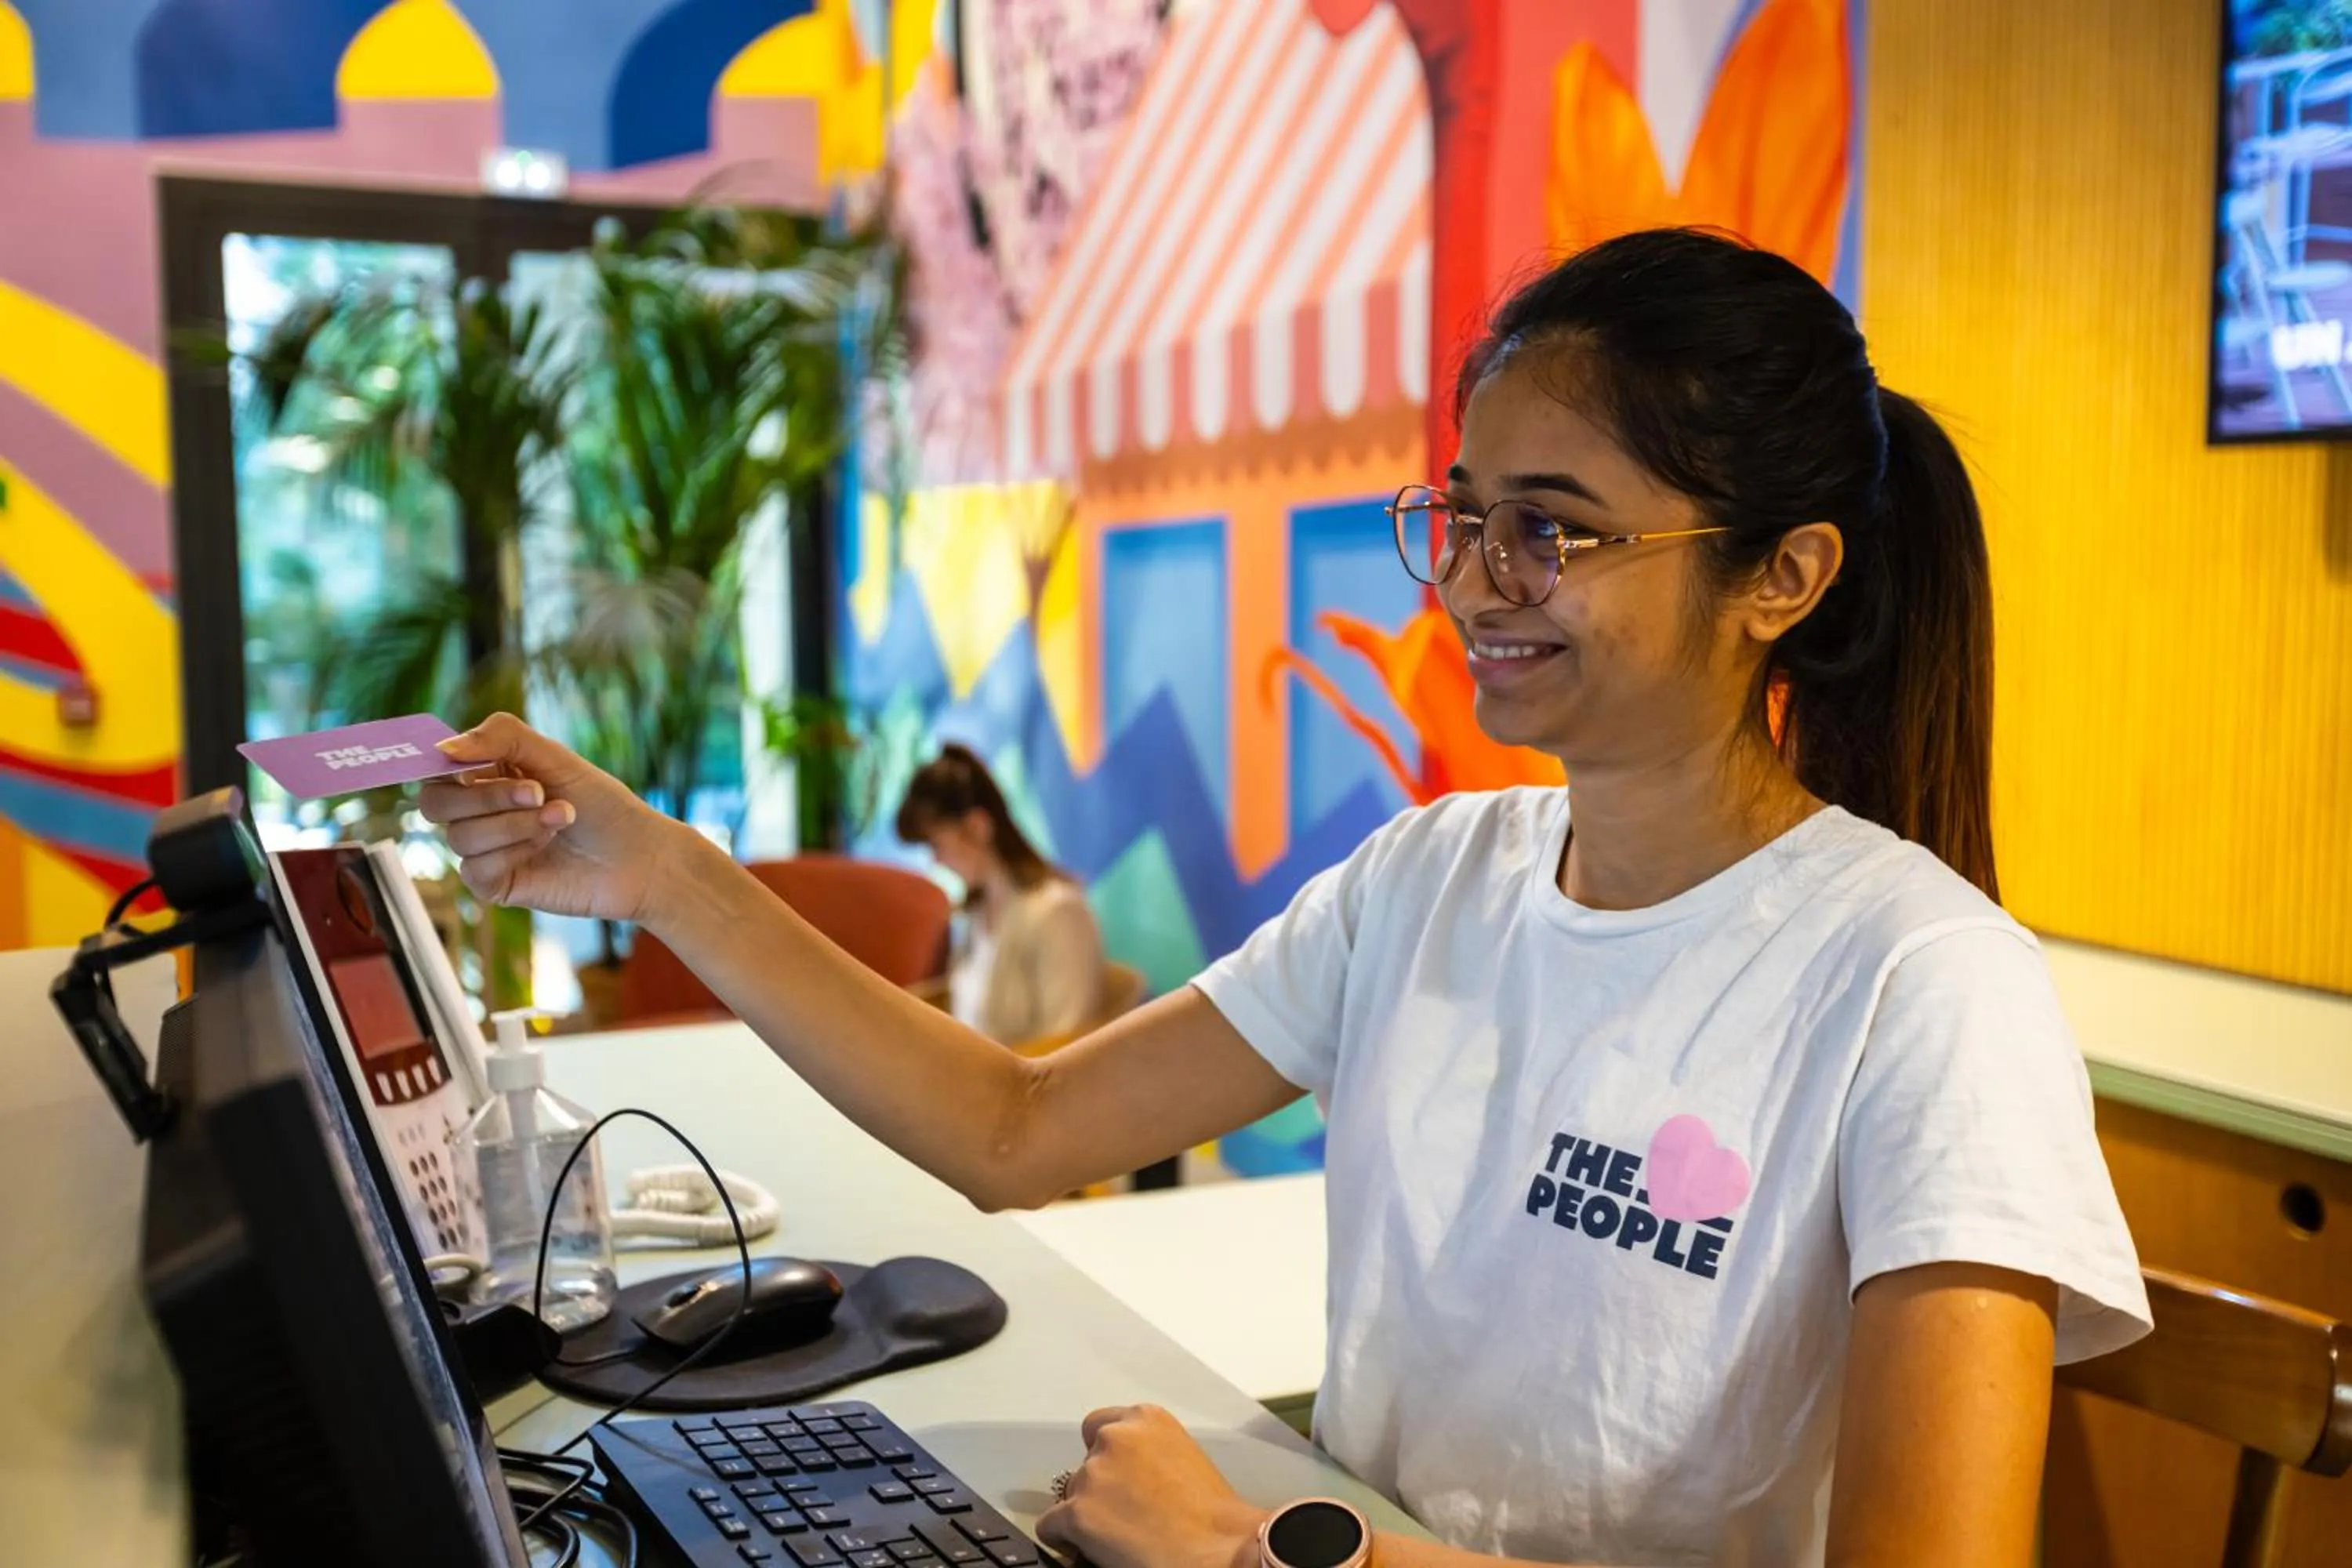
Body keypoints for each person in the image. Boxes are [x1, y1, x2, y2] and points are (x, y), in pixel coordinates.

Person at [421, 227, 2149, 1568]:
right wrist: (662, 871)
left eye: (1555, 530)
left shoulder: (1924, 983)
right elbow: (1020, 1125)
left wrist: (1258, 1543)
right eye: (1467, 515)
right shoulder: (1432, 878)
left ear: (1784, 574)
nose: (1477, 581)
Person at [893, 743, 1107, 1044]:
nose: (936, 860)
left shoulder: (1059, 913)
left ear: (978, 827)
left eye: (937, 844)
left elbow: (1067, 1051)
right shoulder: (977, 911)